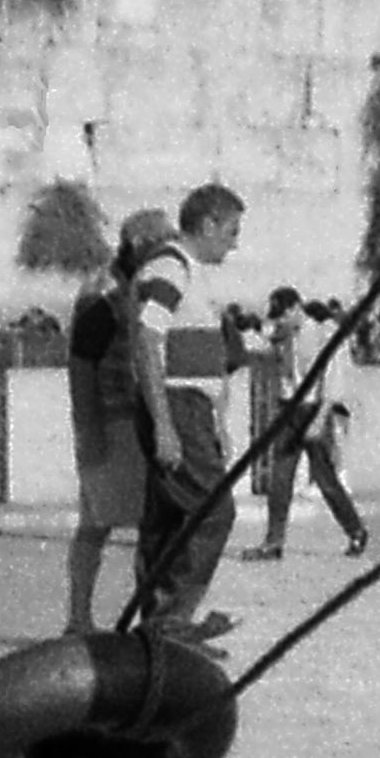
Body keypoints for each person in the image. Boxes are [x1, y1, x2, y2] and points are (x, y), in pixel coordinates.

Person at [142, 183, 249, 633]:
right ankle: (171, 621)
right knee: (213, 511)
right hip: (179, 405)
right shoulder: (170, 267)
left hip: (193, 409)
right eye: (230, 232)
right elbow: (147, 340)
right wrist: (164, 423)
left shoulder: (190, 272)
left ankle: (160, 627)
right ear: (207, 225)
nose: (234, 244)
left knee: (171, 519)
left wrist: (217, 420)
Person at [62, 236, 174, 635]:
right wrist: (89, 432)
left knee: (150, 527)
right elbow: (81, 376)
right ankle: (79, 617)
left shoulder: (151, 312)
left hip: (141, 427)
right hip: (113, 429)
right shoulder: (102, 312)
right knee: (97, 526)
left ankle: (152, 619)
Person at [252, 288, 371, 562]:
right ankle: (273, 541)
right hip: (288, 408)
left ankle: (355, 530)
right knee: (280, 478)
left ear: (297, 308)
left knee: (324, 477)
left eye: (284, 315)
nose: (280, 320)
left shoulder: (321, 334)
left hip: (312, 408)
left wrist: (320, 418)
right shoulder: (284, 337)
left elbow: (332, 377)